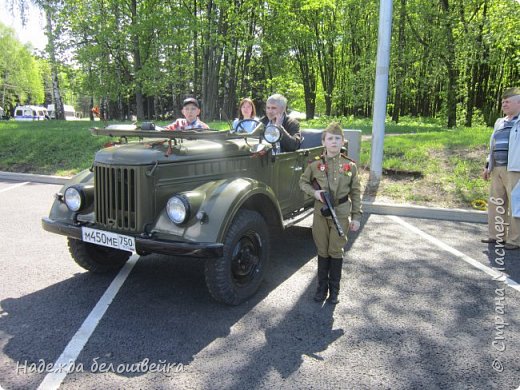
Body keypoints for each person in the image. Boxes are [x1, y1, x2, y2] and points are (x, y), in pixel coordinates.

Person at [299, 122, 361, 304]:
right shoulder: (315, 164)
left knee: (335, 250)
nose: (333, 142)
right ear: (323, 142)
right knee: (322, 250)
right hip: (320, 213)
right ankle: (321, 289)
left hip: (341, 213)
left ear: (343, 141)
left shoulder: (350, 166)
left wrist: (356, 217)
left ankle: (334, 291)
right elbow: (303, 182)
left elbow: (356, 193)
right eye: (330, 139)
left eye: (337, 138)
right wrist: (314, 193)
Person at [481, 87, 520, 250]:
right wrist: (488, 166)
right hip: (497, 168)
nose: (504, 104)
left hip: (515, 169)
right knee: (496, 203)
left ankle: (514, 240)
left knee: (515, 205)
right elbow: (493, 146)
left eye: (507, 102)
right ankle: (496, 236)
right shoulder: (500, 122)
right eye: (503, 102)